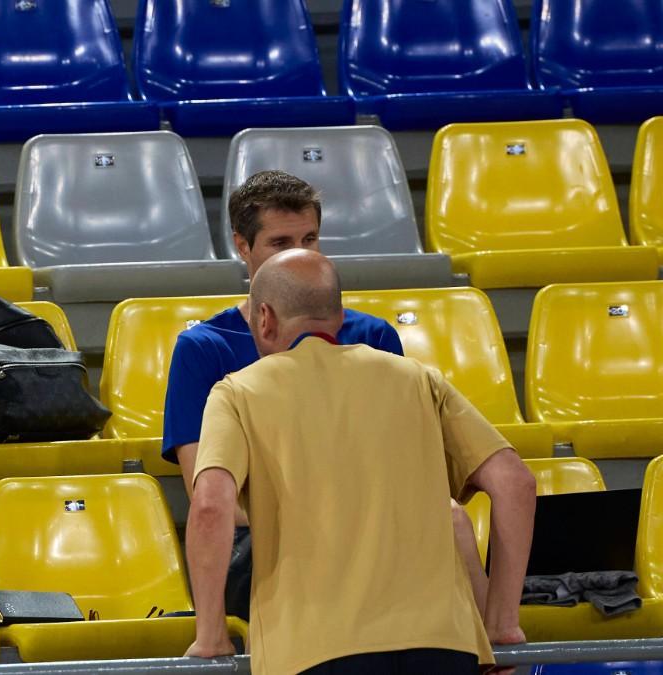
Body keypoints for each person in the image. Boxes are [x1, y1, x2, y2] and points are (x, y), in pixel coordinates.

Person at [184, 249, 535, 675]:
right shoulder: (416, 378)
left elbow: (209, 507)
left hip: (312, 649)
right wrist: (502, 622)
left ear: (264, 318)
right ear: (338, 316)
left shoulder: (238, 392)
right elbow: (514, 482)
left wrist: (211, 633)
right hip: (443, 642)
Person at [162, 170, 402, 619]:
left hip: (368, 536)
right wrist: (322, 523)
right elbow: (210, 496)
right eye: (280, 242)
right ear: (242, 246)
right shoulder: (203, 348)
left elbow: (399, 464)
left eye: (309, 238)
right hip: (263, 542)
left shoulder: (373, 336)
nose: (299, 254)